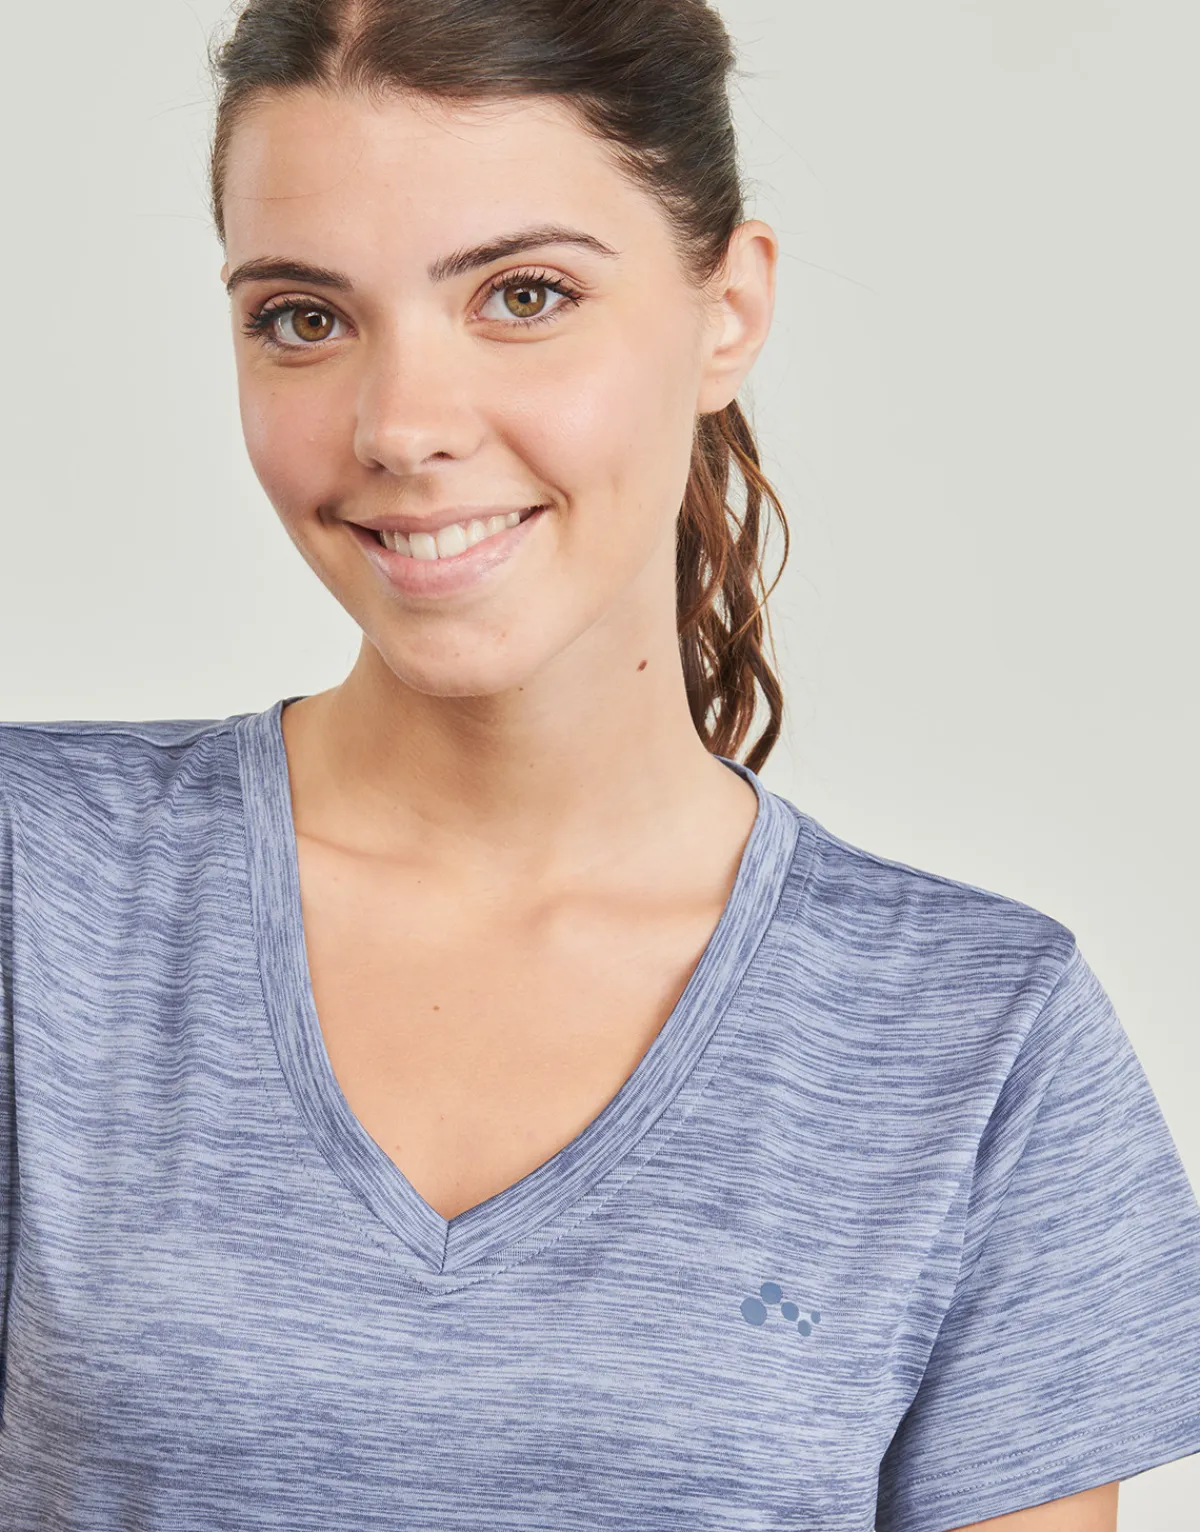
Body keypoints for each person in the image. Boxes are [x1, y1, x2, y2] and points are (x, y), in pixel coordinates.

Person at [0, 1, 1197, 1527]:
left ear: (727, 310)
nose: (402, 426)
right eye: (303, 317)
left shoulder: (974, 1037)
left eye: (523, 294)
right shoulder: (37, 894)